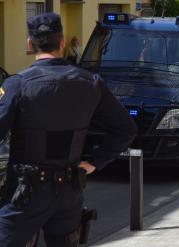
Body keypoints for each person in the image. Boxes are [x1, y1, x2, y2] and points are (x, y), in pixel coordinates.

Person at [0, 13, 137, 246]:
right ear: (62, 42)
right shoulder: (91, 82)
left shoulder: (17, 85)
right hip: (69, 190)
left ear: (29, 44)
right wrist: (95, 162)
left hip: (25, 193)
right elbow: (125, 128)